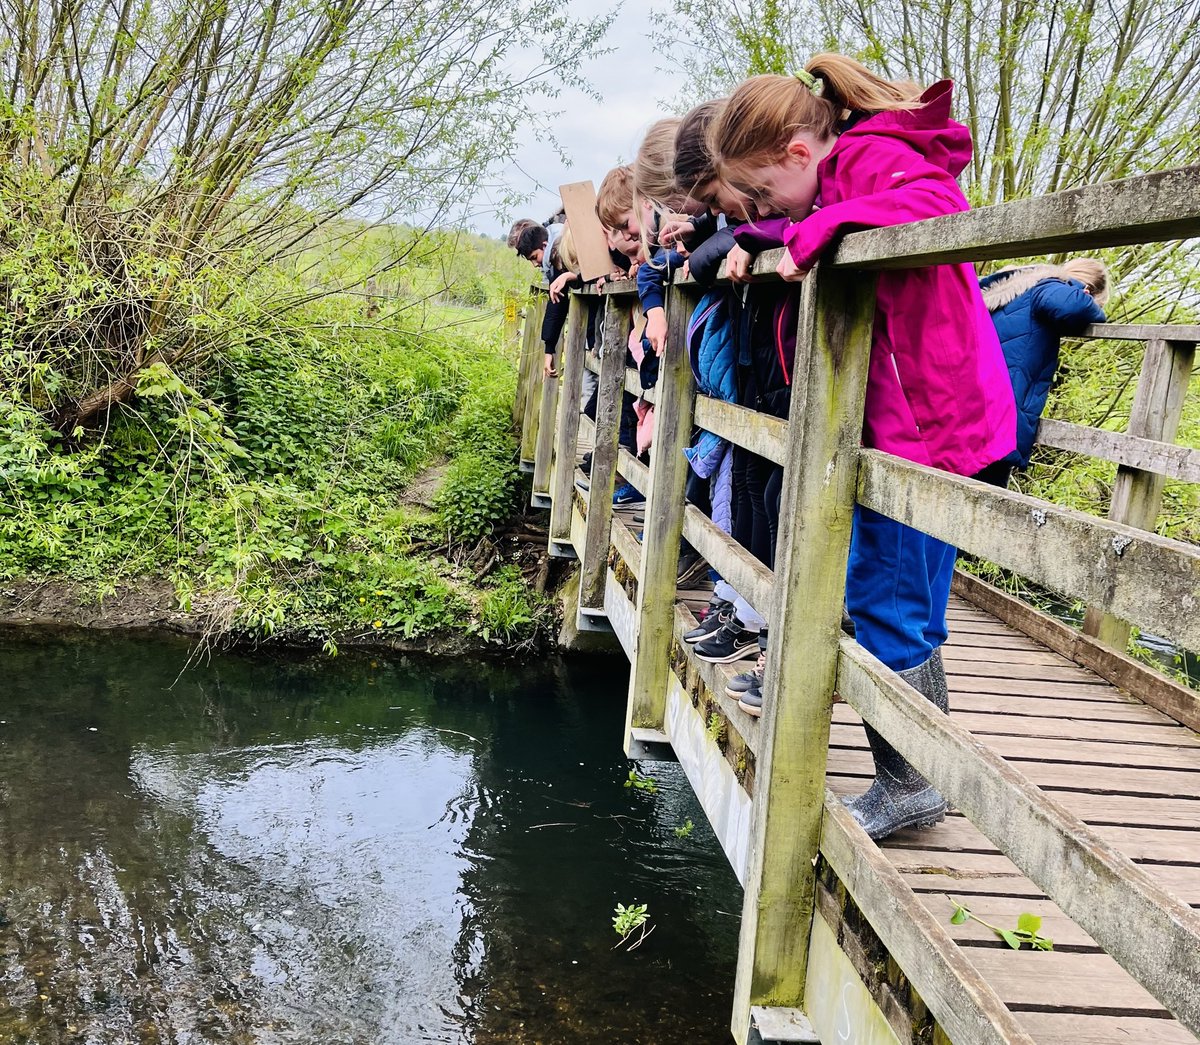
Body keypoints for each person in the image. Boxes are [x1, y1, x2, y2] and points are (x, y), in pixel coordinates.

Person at [710, 54, 1017, 840]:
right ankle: (917, 768)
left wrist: (820, 225)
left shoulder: (872, 158)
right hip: (918, 423)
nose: (763, 204)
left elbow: (934, 200)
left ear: (800, 154)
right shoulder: (845, 167)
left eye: (764, 188)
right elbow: (818, 209)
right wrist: (764, 231)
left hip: (928, 427)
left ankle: (911, 782)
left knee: (890, 598)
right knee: (892, 596)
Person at [976, 258, 1109, 486]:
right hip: (999, 420)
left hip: (975, 409)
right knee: (984, 501)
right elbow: (1073, 307)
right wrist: (1082, 293)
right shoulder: (1049, 287)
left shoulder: (1013, 288)